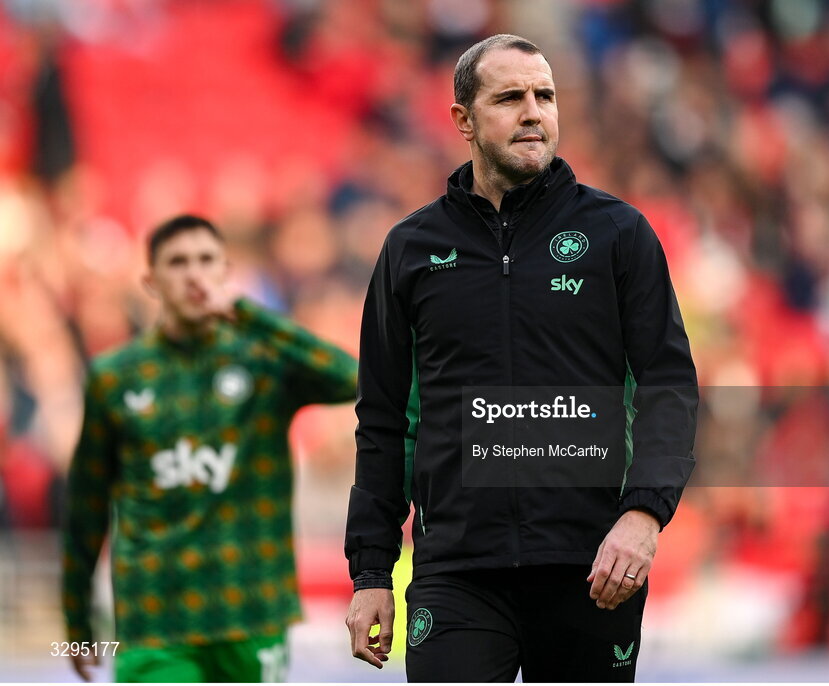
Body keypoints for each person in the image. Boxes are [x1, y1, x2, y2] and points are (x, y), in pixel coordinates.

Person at [344, 34, 698, 682]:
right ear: (463, 120)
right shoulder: (411, 250)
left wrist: (644, 514)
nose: (533, 111)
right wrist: (371, 570)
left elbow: (667, 385)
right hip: (457, 572)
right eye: (509, 97)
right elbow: (384, 420)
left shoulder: (618, 235)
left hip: (593, 567)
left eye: (545, 96)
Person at [62, 214, 358, 683]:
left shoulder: (263, 359)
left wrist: (248, 313)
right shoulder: (114, 377)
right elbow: (86, 508)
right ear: (151, 281)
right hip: (154, 621)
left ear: (226, 273)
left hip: (253, 612)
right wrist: (78, 626)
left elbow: (353, 377)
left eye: (206, 260)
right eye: (178, 262)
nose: (194, 274)